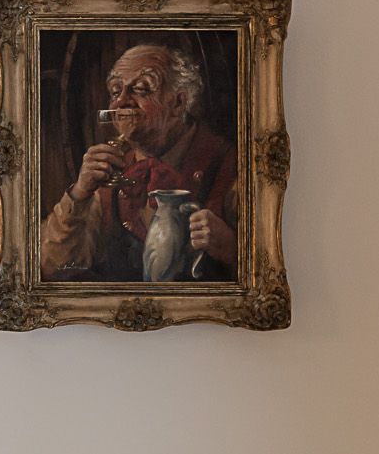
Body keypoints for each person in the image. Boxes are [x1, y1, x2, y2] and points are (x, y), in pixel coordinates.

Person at [40, 43, 239, 282]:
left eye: (142, 89)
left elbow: (267, 273)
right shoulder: (108, 175)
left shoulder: (231, 165)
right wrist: (79, 193)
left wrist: (233, 250)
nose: (121, 102)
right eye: (115, 91)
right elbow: (52, 266)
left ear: (178, 103)